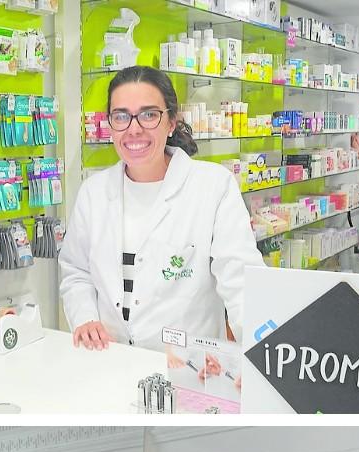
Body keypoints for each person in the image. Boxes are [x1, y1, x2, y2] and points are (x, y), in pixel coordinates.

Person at [59, 65, 263, 352]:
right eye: (121, 116)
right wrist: (85, 318)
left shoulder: (213, 187)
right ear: (110, 125)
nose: (134, 129)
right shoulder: (93, 192)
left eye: (149, 115)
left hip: (190, 367)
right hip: (110, 357)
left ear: (170, 123)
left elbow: (241, 280)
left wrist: (260, 354)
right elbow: (76, 271)